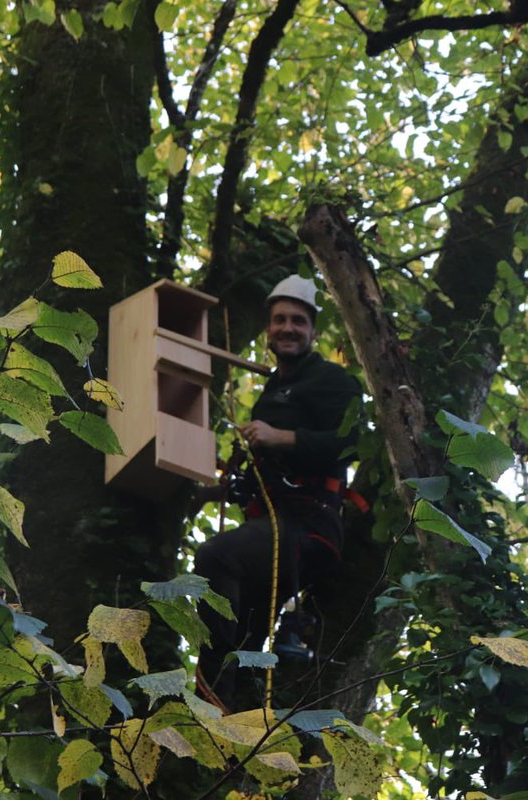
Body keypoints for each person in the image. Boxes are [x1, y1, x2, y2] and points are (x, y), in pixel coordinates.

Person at [192, 274, 362, 712]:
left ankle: (205, 696)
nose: (288, 328)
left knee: (215, 557)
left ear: (312, 332)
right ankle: (224, 725)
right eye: (280, 320)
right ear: (268, 330)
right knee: (246, 634)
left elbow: (351, 443)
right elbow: (264, 477)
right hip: (271, 529)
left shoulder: (332, 381)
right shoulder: (269, 395)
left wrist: (281, 437)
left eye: (298, 321)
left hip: (309, 528)